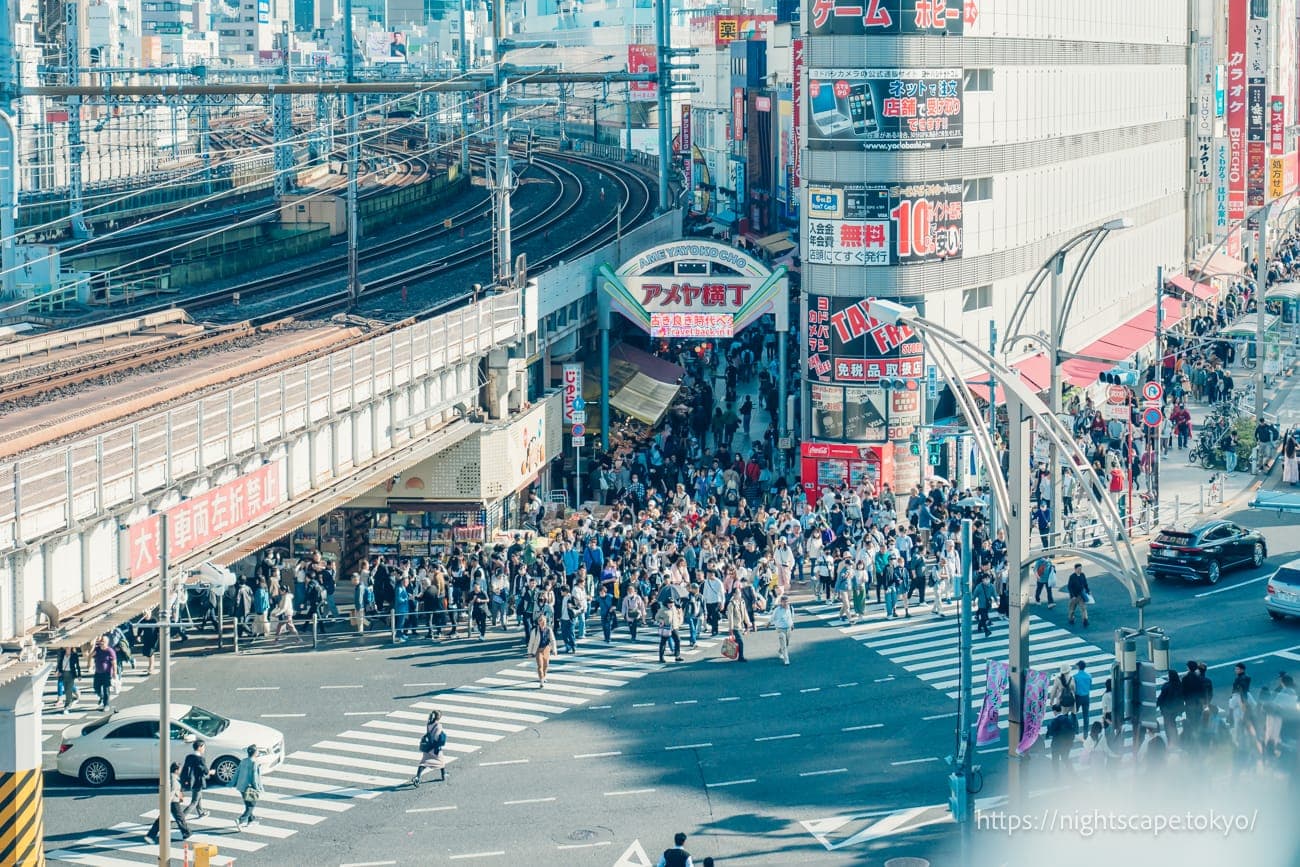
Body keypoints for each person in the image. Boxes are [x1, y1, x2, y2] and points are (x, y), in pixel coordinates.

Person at [144, 762, 191, 844]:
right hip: (172, 801)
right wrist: (166, 805)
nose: (181, 771)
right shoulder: (173, 779)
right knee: (179, 818)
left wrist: (179, 795)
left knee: (165, 818)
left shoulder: (171, 776)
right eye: (180, 769)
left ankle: (150, 835)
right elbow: (171, 792)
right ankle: (186, 833)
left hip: (172, 800)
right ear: (176, 770)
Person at [411, 710, 447, 786]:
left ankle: (417, 777)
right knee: (441, 761)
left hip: (428, 746)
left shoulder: (429, 724)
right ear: (438, 717)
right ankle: (443, 775)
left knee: (424, 762)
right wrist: (438, 744)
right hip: (434, 746)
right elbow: (437, 736)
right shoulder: (438, 725)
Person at [233, 745, 264, 830]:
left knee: (248, 804)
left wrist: (232, 783)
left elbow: (237, 772)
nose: (258, 752)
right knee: (251, 806)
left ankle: (251, 820)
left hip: (241, 787)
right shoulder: (254, 763)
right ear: (254, 753)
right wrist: (258, 788)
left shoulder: (243, 761)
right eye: (257, 751)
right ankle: (240, 820)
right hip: (250, 788)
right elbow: (254, 778)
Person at [180, 738, 210, 819]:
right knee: (194, 801)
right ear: (199, 747)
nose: (204, 749)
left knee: (198, 797)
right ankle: (181, 817)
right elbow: (206, 771)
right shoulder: (200, 759)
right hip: (198, 782)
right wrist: (212, 772)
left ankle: (201, 812)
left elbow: (185, 769)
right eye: (203, 747)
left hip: (190, 781)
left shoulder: (189, 757)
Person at [1046, 706, 1077, 778]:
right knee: (1065, 759)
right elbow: (1072, 731)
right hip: (1066, 744)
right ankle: (1072, 774)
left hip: (1056, 744)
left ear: (1054, 711)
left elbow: (1051, 733)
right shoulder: (1067, 719)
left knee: (1055, 761)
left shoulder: (1054, 721)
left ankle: (1057, 777)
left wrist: (1049, 727)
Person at [528, 614, 555, 687]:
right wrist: (530, 652)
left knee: (546, 665)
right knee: (540, 665)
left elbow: (552, 640)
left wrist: (554, 650)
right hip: (538, 650)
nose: (542, 622)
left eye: (544, 621)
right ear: (538, 622)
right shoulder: (535, 631)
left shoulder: (549, 630)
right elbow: (531, 642)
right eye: (540, 621)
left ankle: (544, 676)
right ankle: (541, 680)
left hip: (546, 649)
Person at [725, 586, 751, 662]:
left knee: (736, 641)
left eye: (740, 593)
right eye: (738, 593)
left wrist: (748, 622)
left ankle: (727, 650)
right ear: (734, 594)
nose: (740, 594)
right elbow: (730, 617)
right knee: (740, 642)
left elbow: (745, 612)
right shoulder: (731, 604)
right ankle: (741, 657)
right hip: (735, 626)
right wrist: (731, 628)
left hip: (740, 625)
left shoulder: (742, 601)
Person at [91, 636, 116, 710]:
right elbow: (90, 655)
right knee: (96, 687)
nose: (102, 643)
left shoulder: (110, 651)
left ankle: (106, 705)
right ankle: (101, 696)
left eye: (103, 642)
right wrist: (94, 645)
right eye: (101, 641)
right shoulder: (97, 649)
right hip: (98, 672)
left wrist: (114, 672)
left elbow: (114, 662)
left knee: (106, 689)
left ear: (107, 643)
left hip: (106, 673)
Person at [656, 599, 684, 663]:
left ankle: (677, 656)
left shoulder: (674, 608)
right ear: (666, 603)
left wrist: (678, 622)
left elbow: (676, 616)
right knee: (663, 642)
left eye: (672, 603)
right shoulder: (662, 609)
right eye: (670, 603)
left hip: (674, 627)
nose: (671, 604)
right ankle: (661, 657)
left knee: (678, 640)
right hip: (666, 627)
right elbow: (656, 617)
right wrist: (661, 621)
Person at [770, 595, 794, 665]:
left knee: (786, 643)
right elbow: (773, 617)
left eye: (787, 602)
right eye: (784, 602)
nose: (785, 603)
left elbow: (791, 616)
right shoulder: (777, 609)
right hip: (780, 629)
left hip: (788, 628)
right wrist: (768, 623)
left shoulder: (791, 608)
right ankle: (786, 659)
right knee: (783, 642)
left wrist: (792, 624)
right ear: (781, 602)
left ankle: (781, 651)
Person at [973, 572, 996, 639]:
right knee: (984, 617)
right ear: (982, 580)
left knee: (984, 618)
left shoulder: (991, 586)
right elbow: (975, 594)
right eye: (985, 579)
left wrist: (997, 601)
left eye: (988, 579)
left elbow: (994, 594)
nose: (987, 580)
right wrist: (973, 601)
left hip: (987, 605)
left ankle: (979, 626)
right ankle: (986, 631)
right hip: (981, 605)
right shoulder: (979, 587)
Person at [1066, 563, 1090, 628]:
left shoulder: (1082, 575)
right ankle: (1071, 619)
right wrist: (1072, 596)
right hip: (1074, 596)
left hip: (1081, 595)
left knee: (1083, 608)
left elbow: (1085, 584)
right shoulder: (1072, 577)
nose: (1080, 570)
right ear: (1075, 569)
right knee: (1072, 609)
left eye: (1081, 569)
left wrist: (1088, 590)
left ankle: (1085, 620)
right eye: (1079, 569)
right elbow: (1069, 587)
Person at [1073, 660, 1094, 729]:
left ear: (1078, 667)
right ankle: (1086, 733)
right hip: (1086, 697)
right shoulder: (1089, 676)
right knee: (1086, 715)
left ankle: (1076, 728)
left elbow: (1074, 688)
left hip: (1078, 697)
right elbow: (1090, 687)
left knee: (1074, 713)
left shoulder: (1075, 677)